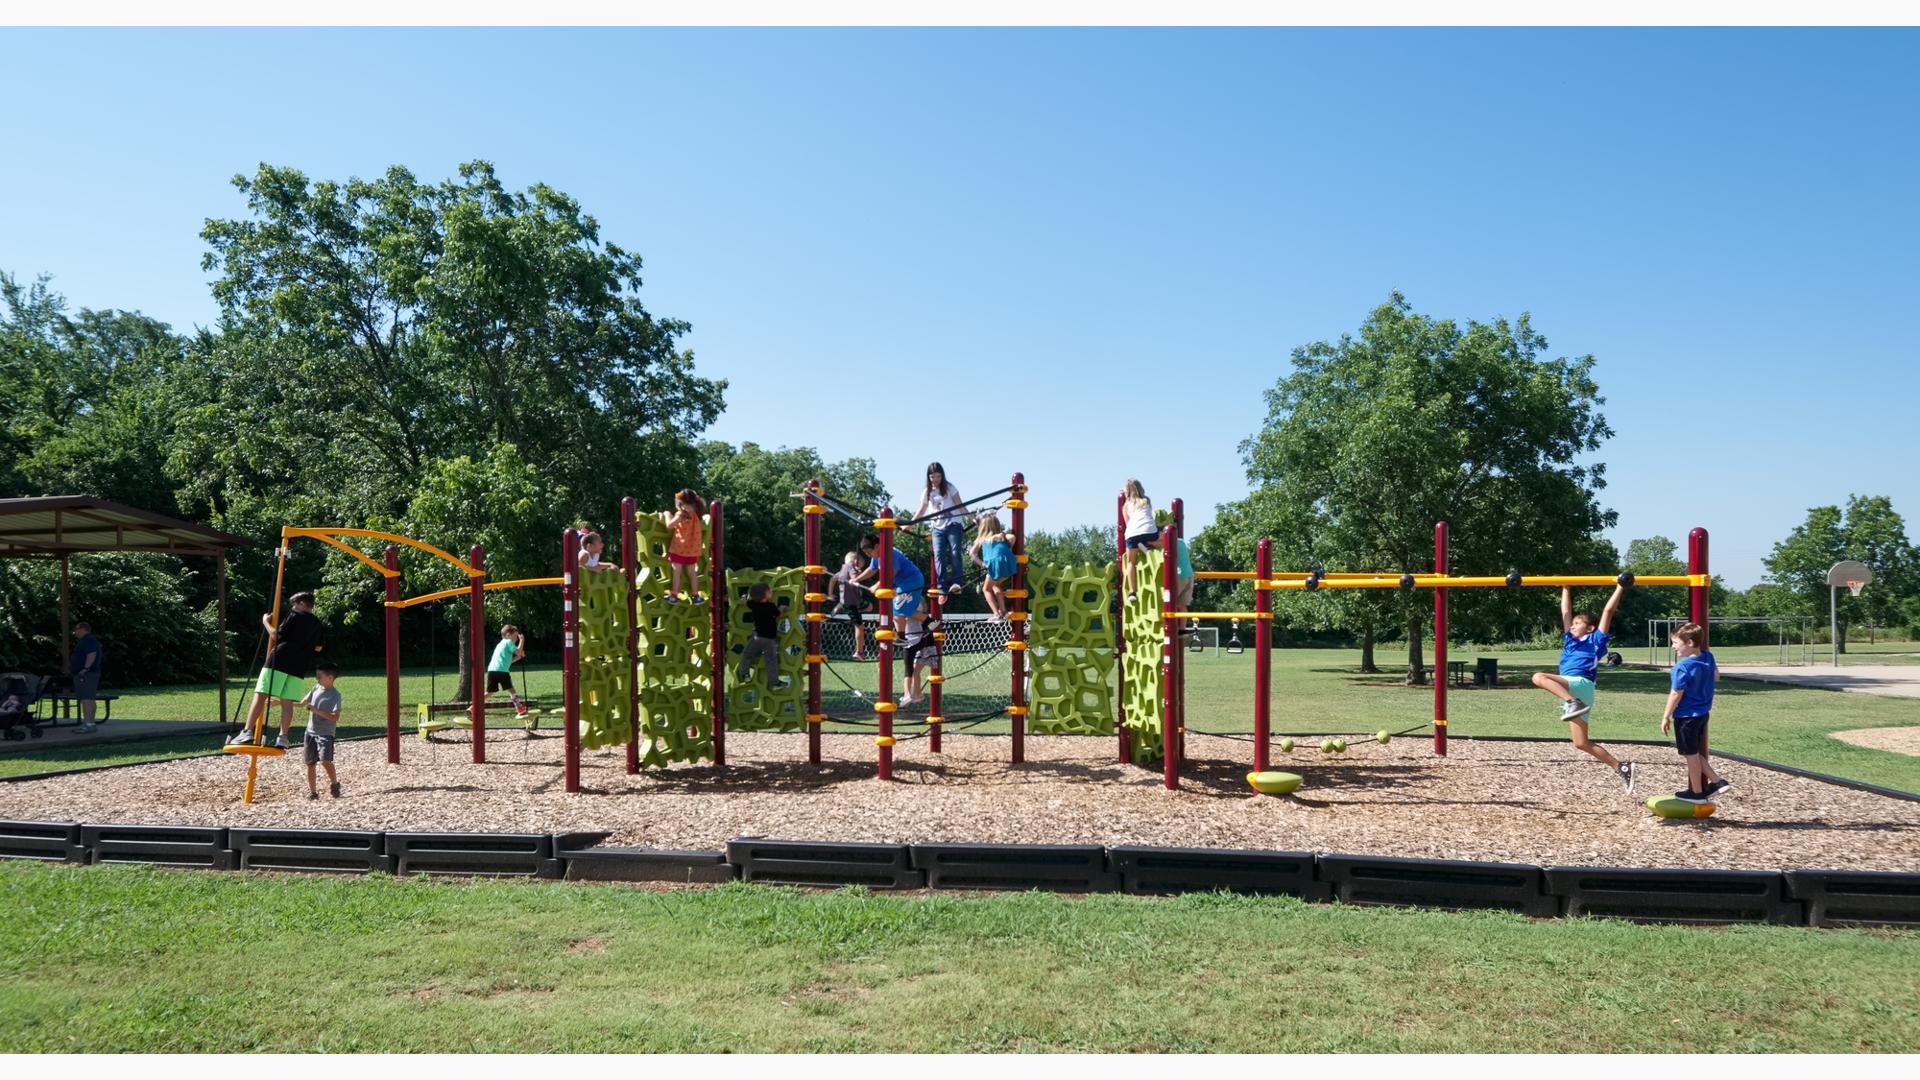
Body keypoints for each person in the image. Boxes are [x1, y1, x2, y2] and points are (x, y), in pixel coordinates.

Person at [1529, 584, 1636, 792]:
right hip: (1573, 689)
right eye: (1573, 623)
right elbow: (1565, 612)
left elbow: (1608, 611)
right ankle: (1621, 767)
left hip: (1580, 684)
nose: (1573, 625)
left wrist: (1619, 586)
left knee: (1538, 676)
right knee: (1581, 742)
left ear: (1590, 628)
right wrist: (1566, 588)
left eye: (1578, 623)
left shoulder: (1596, 639)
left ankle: (1572, 703)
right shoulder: (1569, 640)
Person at [228, 591, 326, 750]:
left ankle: (247, 732)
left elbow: (276, 635)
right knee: (287, 701)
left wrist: (265, 622)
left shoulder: (294, 615)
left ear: (301, 604)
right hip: (299, 667)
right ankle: (283, 737)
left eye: (294, 604)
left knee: (260, 694)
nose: (292, 607)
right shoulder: (317, 623)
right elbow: (319, 647)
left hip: (279, 661)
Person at [1661, 622, 1728, 802]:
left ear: (1689, 643)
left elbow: (1676, 693)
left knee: (1690, 755)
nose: (1673, 647)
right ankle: (1717, 781)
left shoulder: (1681, 667)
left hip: (1685, 717)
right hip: (1702, 714)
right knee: (1693, 753)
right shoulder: (1708, 657)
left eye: (1675, 643)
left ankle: (1697, 793)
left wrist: (1665, 716)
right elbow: (1716, 676)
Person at [914, 462, 967, 596]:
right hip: (937, 527)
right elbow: (921, 510)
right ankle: (941, 586)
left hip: (953, 524)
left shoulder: (950, 488)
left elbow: (960, 505)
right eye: (932, 477)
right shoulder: (927, 492)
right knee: (938, 555)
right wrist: (908, 524)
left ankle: (957, 583)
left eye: (938, 476)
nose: (935, 480)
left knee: (955, 552)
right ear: (928, 477)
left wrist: (972, 518)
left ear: (942, 476)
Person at [853, 532, 927, 627]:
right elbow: (871, 570)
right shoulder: (877, 556)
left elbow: (891, 574)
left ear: (877, 546)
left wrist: (877, 585)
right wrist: (856, 579)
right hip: (904, 583)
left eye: (869, 552)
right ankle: (929, 622)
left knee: (897, 607)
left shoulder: (890, 554)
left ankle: (901, 636)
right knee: (900, 607)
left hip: (911, 581)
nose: (868, 555)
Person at [300, 662, 343, 800]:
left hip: (325, 733)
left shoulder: (335, 695)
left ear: (330, 678)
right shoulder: (316, 688)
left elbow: (335, 717)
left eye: (319, 676)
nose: (316, 679)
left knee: (325, 761)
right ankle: (313, 792)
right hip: (310, 732)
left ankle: (335, 784)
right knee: (310, 763)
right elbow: (303, 703)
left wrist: (316, 711)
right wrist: (280, 702)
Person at [969, 513, 1017, 621]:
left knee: (986, 589)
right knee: (996, 585)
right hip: (1008, 566)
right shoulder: (1002, 536)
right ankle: (1004, 612)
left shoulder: (982, 539)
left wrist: (982, 564)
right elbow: (1012, 537)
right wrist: (1008, 548)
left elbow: (972, 553)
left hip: (993, 567)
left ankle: (996, 614)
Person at [735, 583, 785, 688]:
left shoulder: (753, 604)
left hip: (757, 637)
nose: (771, 591)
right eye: (769, 591)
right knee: (771, 660)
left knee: (747, 655)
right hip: (770, 639)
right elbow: (779, 614)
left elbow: (745, 602)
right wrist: (782, 607)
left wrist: (743, 597)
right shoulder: (771, 606)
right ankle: (775, 683)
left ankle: (745, 673)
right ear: (765, 595)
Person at [829, 551, 874, 660]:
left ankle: (841, 607)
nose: (861, 569)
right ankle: (859, 652)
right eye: (860, 566)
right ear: (855, 562)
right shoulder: (851, 567)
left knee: (869, 607)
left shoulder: (841, 570)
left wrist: (830, 594)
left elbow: (832, 579)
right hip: (852, 604)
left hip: (852, 602)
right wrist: (858, 573)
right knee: (859, 627)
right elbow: (853, 577)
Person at [665, 490, 707, 604]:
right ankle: (696, 596)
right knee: (692, 573)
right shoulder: (696, 514)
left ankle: (674, 596)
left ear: (681, 503)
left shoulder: (681, 514)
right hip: (693, 550)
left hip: (679, 548)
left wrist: (667, 514)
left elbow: (669, 525)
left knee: (676, 572)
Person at [1119, 479, 1158, 600]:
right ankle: (1148, 545)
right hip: (1149, 531)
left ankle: (1131, 592)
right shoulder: (1146, 501)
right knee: (1165, 540)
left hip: (1132, 534)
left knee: (1131, 562)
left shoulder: (1125, 506)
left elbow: (1128, 523)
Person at [486, 624, 531, 728]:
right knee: (512, 690)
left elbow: (509, 660)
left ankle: (473, 707)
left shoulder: (501, 644)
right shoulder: (508, 642)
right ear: (507, 634)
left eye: (517, 637)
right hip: (502, 671)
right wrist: (522, 640)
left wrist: (519, 656)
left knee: (489, 692)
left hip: (492, 670)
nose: (515, 639)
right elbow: (519, 651)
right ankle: (519, 709)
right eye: (515, 636)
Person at [898, 609, 938, 707]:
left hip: (923, 646)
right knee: (915, 672)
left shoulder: (912, 613)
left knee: (912, 671)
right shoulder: (920, 616)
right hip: (922, 645)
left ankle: (911, 695)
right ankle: (915, 695)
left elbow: (934, 624)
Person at [69, 621, 102, 733]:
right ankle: (90, 723)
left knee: (86, 699)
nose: (75, 632)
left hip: (86, 674)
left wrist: (85, 669)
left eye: (76, 630)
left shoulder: (88, 640)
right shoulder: (89, 640)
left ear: (82, 629)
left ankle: (88, 724)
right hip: (89, 673)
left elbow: (92, 654)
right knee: (90, 699)